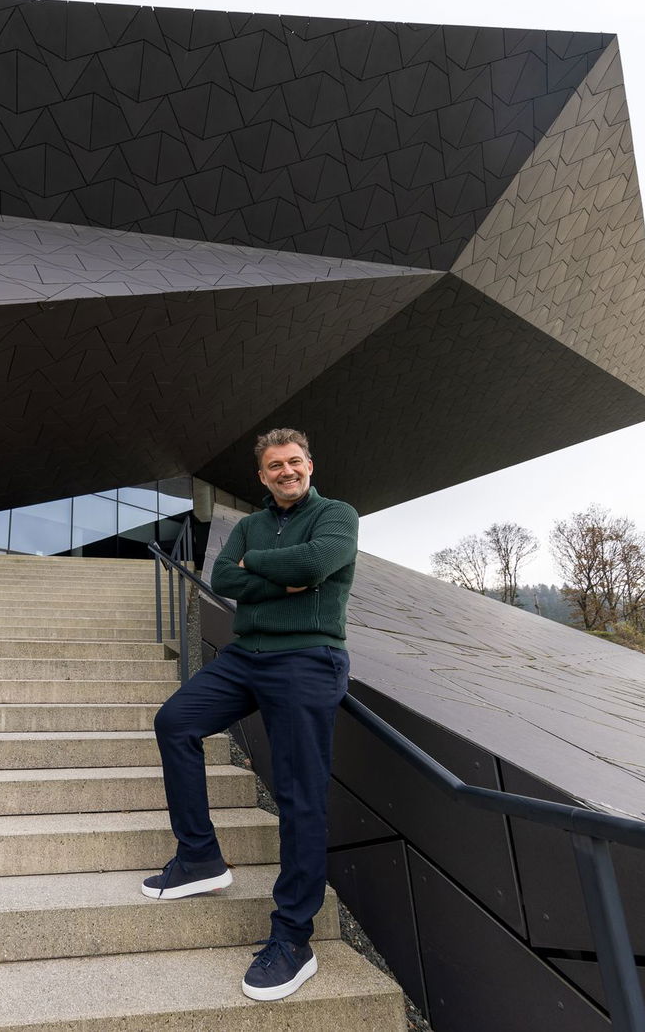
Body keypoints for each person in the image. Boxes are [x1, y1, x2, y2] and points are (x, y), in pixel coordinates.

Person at [141, 427, 358, 1001]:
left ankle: (293, 938)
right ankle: (199, 858)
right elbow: (223, 580)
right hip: (245, 657)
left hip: (307, 658)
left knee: (298, 795)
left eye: (293, 461)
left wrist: (267, 568)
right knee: (175, 722)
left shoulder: (338, 515)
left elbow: (315, 566)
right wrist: (278, 573)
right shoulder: (248, 524)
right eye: (273, 466)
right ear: (261, 476)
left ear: (309, 465)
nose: (285, 471)